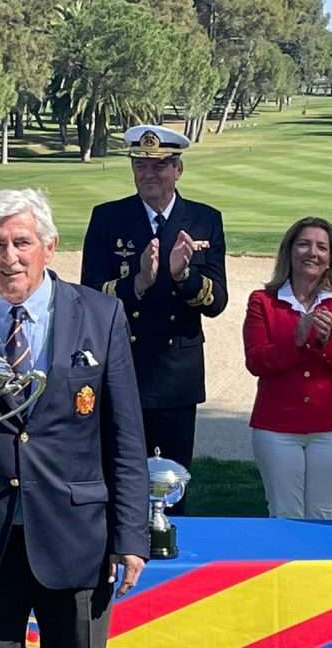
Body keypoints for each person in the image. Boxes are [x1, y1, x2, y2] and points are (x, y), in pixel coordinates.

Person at [0, 188, 149, 648]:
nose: (10, 258)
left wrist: (131, 535)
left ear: (50, 245)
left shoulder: (102, 314)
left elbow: (124, 435)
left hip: (77, 540)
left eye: (22, 243)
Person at [81, 124, 227, 514]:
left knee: (173, 481)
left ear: (178, 170)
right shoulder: (108, 218)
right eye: (141, 165)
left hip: (177, 370)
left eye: (159, 166)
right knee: (118, 476)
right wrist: (139, 283)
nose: (149, 174)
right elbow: (90, 298)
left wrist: (184, 276)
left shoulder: (204, 220)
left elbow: (217, 303)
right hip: (122, 367)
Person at [242, 217, 332, 520]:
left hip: (331, 426)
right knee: (284, 512)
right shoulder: (264, 301)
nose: (313, 253)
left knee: (323, 513)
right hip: (276, 425)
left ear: (331, 258)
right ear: (289, 251)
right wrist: (297, 340)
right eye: (304, 244)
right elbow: (256, 361)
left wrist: (324, 342)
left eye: (322, 247)